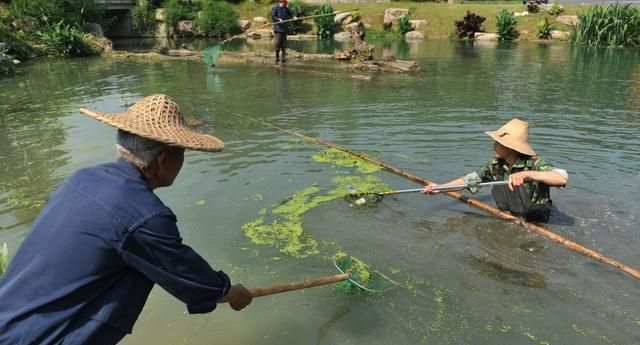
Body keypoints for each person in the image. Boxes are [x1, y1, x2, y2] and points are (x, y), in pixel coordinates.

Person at [0, 94, 253, 344]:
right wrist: (230, 293)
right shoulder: (145, 217)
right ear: (163, 160)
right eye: (182, 153)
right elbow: (188, 276)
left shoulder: (79, 178)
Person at [422, 118, 568, 223]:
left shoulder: (534, 163)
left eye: (499, 143)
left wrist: (527, 174)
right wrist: (440, 188)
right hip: (508, 214)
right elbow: (468, 180)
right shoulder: (495, 165)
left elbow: (560, 178)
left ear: (511, 147)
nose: (494, 145)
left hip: (536, 218)